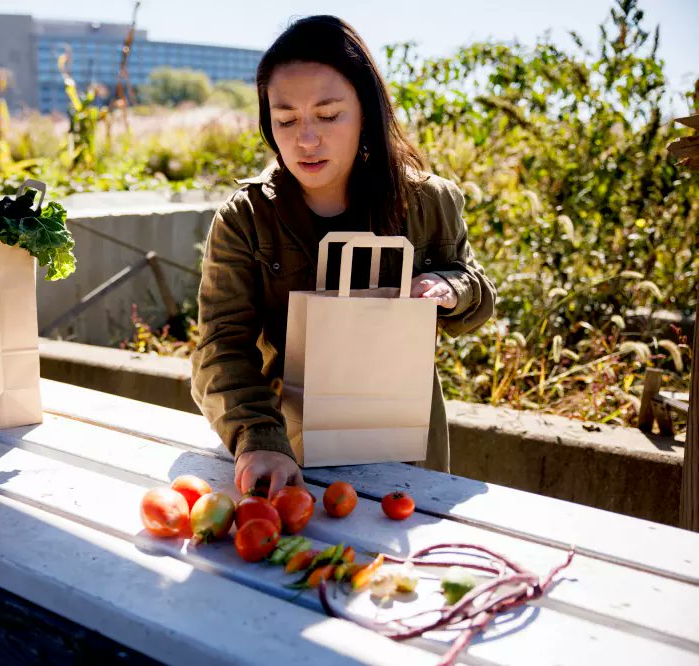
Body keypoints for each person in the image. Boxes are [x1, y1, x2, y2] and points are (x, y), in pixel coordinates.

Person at [190, 15, 497, 499]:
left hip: (406, 456)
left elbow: (476, 293)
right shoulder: (246, 218)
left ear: (366, 113)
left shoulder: (427, 201)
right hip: (289, 462)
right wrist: (258, 439)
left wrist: (450, 288)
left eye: (329, 115)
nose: (305, 140)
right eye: (286, 119)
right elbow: (220, 347)